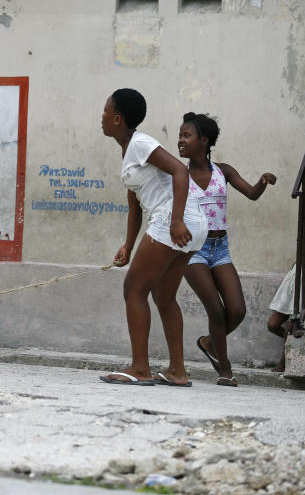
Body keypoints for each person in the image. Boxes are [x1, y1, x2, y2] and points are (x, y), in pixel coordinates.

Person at [101, 89, 208, 387]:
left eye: (105, 112)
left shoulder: (141, 143)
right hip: (191, 222)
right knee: (163, 296)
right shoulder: (129, 152)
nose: (102, 117)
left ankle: (139, 368)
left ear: (118, 119)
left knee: (133, 289)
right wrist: (128, 245)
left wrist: (174, 221)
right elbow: (134, 206)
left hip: (174, 220)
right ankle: (177, 372)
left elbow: (179, 171)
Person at [177, 112, 276, 387]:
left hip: (220, 249)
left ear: (204, 140)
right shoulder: (178, 173)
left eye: (187, 136)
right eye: (180, 135)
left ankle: (209, 342)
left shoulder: (224, 171)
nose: (180, 140)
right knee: (217, 311)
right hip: (193, 250)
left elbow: (252, 194)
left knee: (238, 310)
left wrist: (263, 181)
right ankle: (225, 368)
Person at [267, 231, 305, 373]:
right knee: (272, 325)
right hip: (286, 302)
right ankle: (293, 339)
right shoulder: (297, 264)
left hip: (297, 307)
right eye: (301, 247)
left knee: (289, 332)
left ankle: (282, 363)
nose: (304, 251)